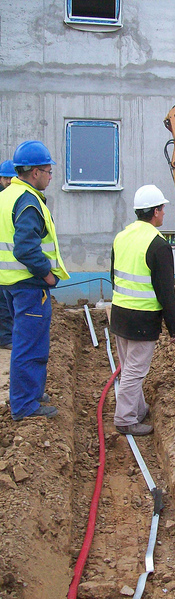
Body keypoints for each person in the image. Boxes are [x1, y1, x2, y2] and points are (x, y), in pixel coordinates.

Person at [0, 141, 70, 420]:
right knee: (30, 346)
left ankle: (31, 393)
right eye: (48, 171)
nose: (51, 176)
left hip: (10, 281)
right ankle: (25, 405)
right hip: (29, 284)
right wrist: (47, 275)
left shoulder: (7, 195)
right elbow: (26, 248)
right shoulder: (27, 201)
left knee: (25, 341)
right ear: (34, 172)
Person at [110, 184, 175, 436]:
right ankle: (125, 418)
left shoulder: (122, 236)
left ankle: (138, 408)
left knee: (129, 365)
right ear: (155, 211)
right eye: (162, 208)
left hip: (119, 312)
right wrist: (174, 327)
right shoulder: (158, 244)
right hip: (142, 317)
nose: (164, 213)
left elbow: (113, 276)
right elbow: (166, 292)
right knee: (135, 371)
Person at [0, 161, 16, 349]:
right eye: (5, 178)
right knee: (4, 303)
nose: (8, 182)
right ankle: (6, 337)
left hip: (8, 264)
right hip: (6, 264)